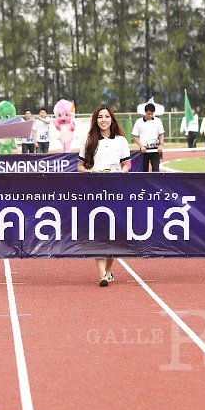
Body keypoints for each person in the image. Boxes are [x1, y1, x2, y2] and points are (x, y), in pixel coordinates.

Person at [77, 104, 131, 287]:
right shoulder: (90, 140)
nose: (103, 120)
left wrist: (120, 174)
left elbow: (127, 165)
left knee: (114, 234)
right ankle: (102, 274)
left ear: (112, 119)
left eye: (106, 116)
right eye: (100, 117)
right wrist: (90, 173)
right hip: (95, 192)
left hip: (116, 191)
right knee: (99, 232)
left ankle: (108, 270)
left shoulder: (121, 141)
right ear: (96, 120)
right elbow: (80, 166)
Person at [131, 102, 164, 172]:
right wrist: (141, 146)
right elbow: (134, 136)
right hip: (144, 151)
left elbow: (161, 134)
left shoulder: (158, 121)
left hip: (155, 151)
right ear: (145, 112)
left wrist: (161, 145)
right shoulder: (138, 122)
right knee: (144, 172)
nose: (150, 116)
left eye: (152, 114)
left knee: (156, 171)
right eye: (148, 114)